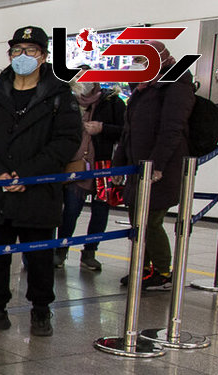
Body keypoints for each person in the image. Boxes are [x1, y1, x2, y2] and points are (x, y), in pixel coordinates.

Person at [0, 25, 81, 337]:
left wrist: (28, 174)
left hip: (38, 190)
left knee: (39, 255)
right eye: (17, 51)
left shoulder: (59, 96)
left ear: (42, 56)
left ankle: (41, 311)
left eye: (30, 51)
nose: (22, 56)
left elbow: (67, 141)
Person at [112, 40, 195, 291]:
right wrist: (119, 165)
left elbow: (172, 129)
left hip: (161, 169)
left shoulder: (175, 85)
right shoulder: (141, 89)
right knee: (138, 219)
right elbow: (129, 131)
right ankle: (144, 268)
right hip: (138, 167)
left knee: (150, 220)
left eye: (143, 60)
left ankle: (162, 270)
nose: (138, 64)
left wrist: (157, 165)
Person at [56, 73, 125, 271]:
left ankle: (90, 252)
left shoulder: (111, 101)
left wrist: (102, 128)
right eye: (78, 77)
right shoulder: (67, 102)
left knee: (100, 210)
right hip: (74, 165)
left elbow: (125, 131)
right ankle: (61, 250)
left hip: (103, 165)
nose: (83, 82)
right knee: (70, 210)